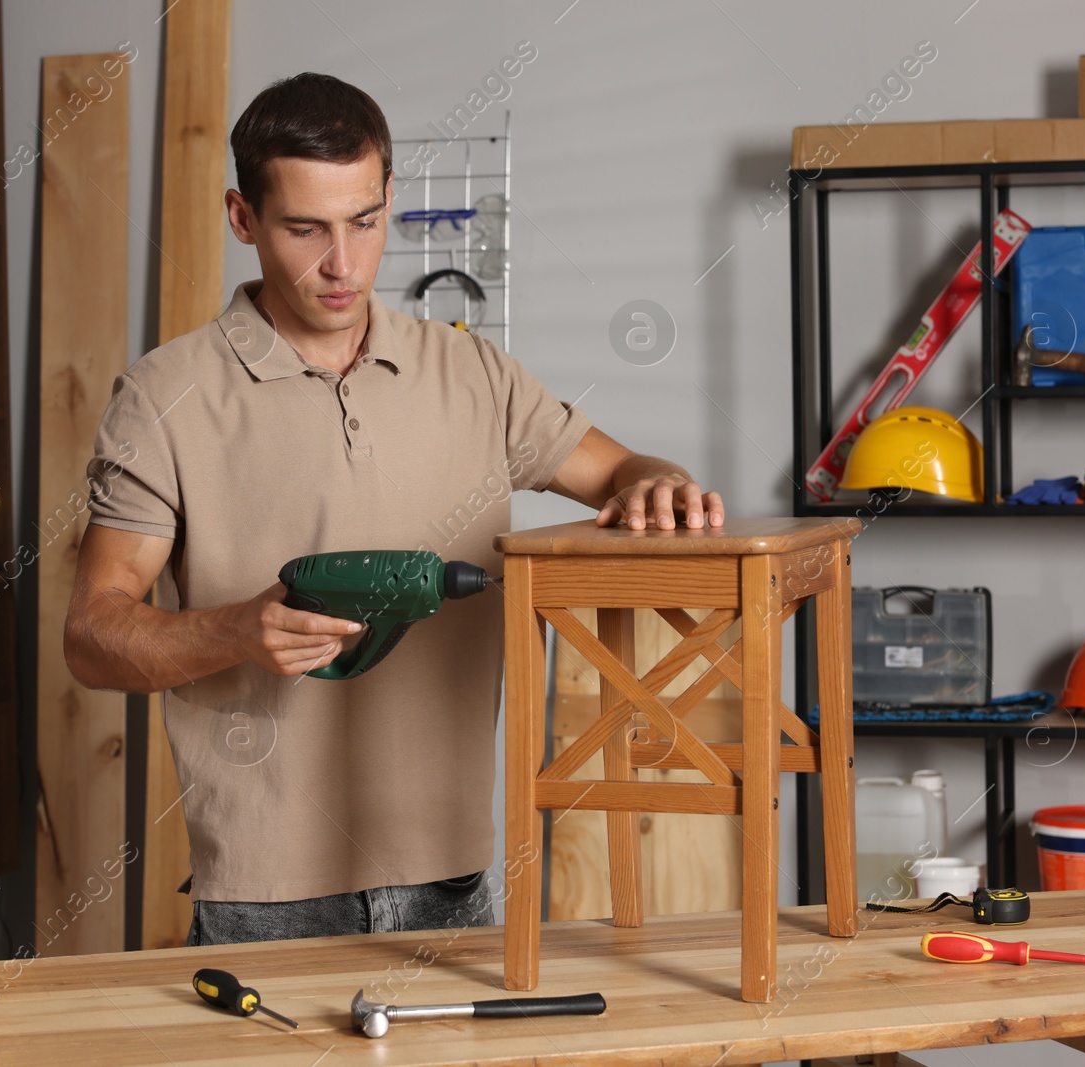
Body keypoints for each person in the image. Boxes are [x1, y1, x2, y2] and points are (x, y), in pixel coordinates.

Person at [63, 72, 724, 946]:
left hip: (455, 875)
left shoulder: (474, 374)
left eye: (364, 222)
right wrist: (233, 632)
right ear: (241, 218)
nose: (342, 264)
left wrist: (657, 481)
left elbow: (627, 470)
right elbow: (92, 634)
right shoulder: (164, 395)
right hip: (265, 895)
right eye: (305, 229)